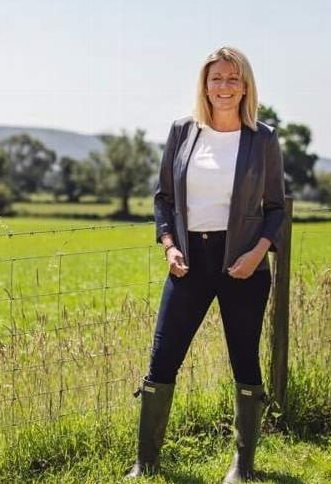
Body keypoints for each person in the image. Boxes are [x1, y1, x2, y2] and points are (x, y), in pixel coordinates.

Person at [125, 46, 285, 483]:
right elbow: (164, 199)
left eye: (233, 79)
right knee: (162, 359)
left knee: (244, 360)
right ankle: (146, 463)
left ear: (246, 85)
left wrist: (255, 257)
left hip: (243, 265)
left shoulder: (263, 139)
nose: (224, 87)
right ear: (205, 84)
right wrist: (168, 245)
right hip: (189, 262)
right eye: (216, 78)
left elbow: (275, 208)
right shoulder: (183, 131)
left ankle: (242, 465)